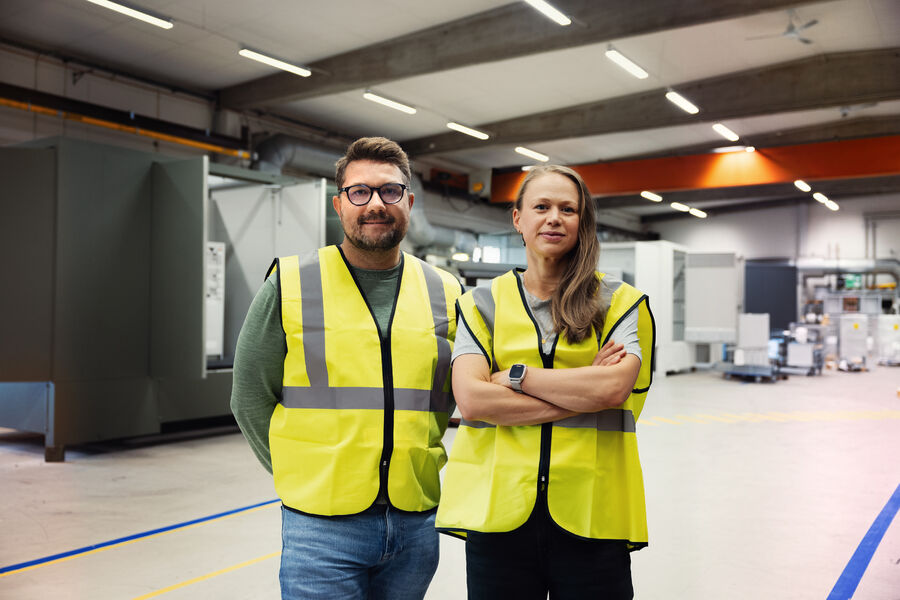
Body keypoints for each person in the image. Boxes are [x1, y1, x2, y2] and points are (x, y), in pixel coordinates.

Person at [231, 137, 463, 600]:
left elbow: (461, 391)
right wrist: (303, 475)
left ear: (409, 203)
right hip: (322, 528)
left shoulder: (446, 290)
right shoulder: (291, 282)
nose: (375, 204)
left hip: (416, 521)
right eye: (360, 192)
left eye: (390, 191)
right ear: (339, 205)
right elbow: (250, 396)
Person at [436, 165, 655, 599]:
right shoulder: (481, 303)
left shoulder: (620, 302)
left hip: (592, 514)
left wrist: (517, 377)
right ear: (518, 219)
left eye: (568, 209)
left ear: (581, 222)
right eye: (542, 207)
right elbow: (474, 401)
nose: (554, 218)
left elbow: (613, 390)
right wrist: (584, 391)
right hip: (499, 516)